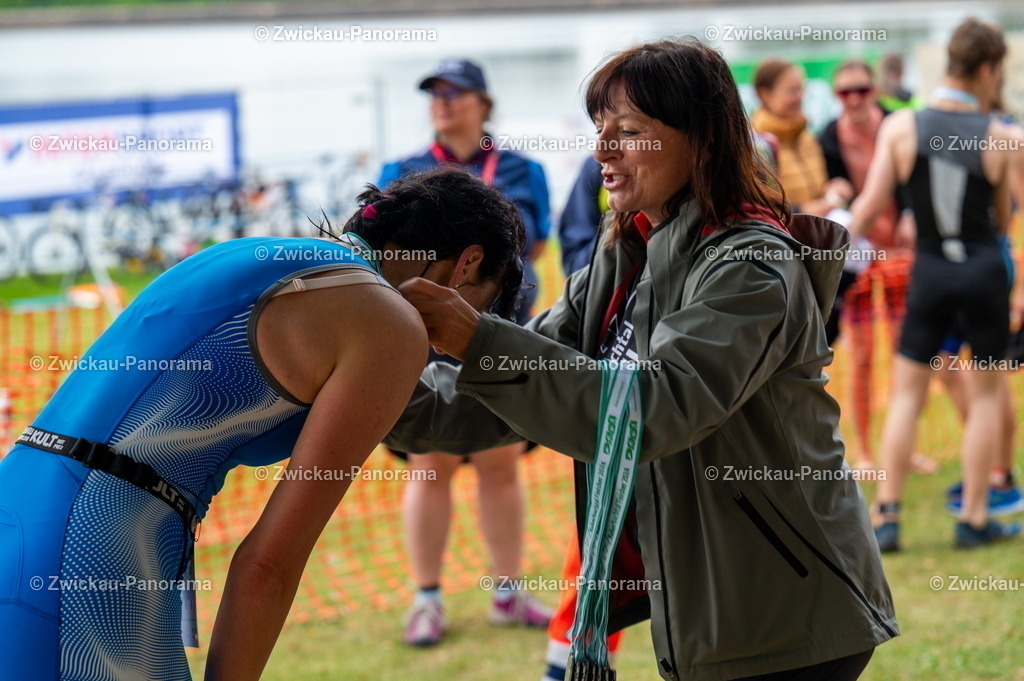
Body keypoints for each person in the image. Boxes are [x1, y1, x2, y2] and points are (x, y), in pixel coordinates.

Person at [390, 39, 897, 681]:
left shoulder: (751, 266)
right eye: (599, 130)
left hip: (788, 616)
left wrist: (477, 338)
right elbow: (507, 392)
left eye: (628, 132)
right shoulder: (625, 257)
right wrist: (356, 384)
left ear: (702, 140)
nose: (602, 150)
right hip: (708, 617)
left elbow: (655, 409)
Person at [0, 169, 525, 681]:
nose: (439, 345)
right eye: (472, 309)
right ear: (466, 264)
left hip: (22, 500)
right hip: (92, 547)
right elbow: (268, 563)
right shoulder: (389, 321)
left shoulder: (256, 253)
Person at [378, 58, 553, 646]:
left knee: (501, 465)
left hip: (500, 331)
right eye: (434, 93)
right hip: (422, 340)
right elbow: (387, 252)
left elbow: (531, 241)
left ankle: (507, 591)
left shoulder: (522, 168)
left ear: (483, 103)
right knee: (430, 466)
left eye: (455, 92)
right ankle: (426, 599)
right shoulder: (403, 170)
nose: (443, 101)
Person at [848, 17, 1024, 551]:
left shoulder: (901, 128)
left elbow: (867, 207)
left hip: (928, 272)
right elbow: (1004, 216)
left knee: (906, 395)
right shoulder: (1005, 136)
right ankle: (974, 516)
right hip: (983, 272)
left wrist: (814, 257)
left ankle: (887, 516)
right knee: (987, 395)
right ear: (989, 69)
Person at [817, 59, 930, 472]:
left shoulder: (898, 124)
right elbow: (826, 196)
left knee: (908, 354)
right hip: (861, 263)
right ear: (836, 97)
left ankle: (908, 448)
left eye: (862, 89)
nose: (855, 99)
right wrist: (834, 191)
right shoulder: (829, 137)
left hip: (901, 256)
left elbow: (922, 174)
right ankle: (863, 452)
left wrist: (912, 211)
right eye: (846, 92)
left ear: (874, 88)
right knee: (863, 358)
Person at [751, 58, 854, 217]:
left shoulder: (806, 136)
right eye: (792, 91)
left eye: (802, 90)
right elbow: (757, 208)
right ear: (764, 95)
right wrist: (802, 211)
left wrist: (832, 188)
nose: (800, 98)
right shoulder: (755, 146)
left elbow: (816, 189)